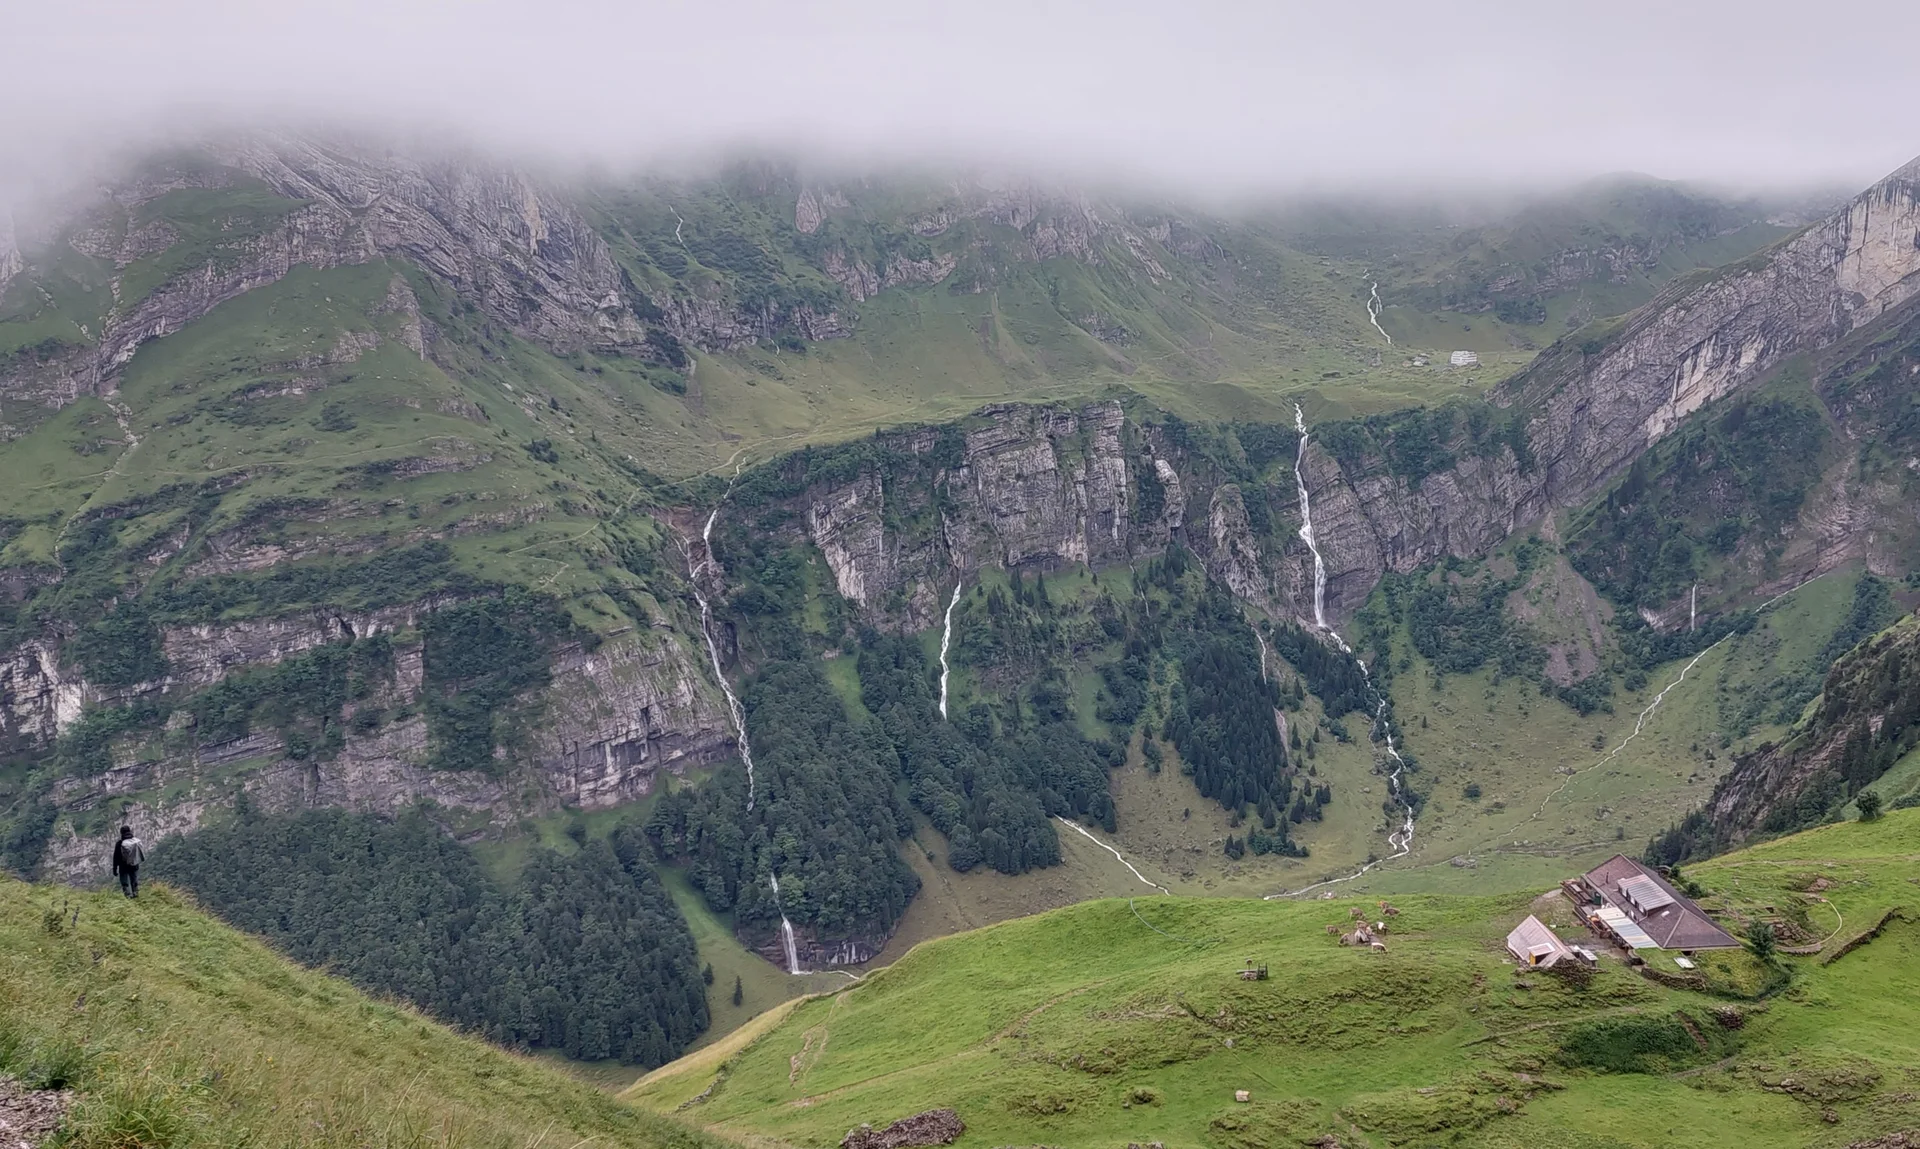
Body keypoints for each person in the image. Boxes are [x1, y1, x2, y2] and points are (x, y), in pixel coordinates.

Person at [111, 826, 146, 898]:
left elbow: (116, 857)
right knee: (134, 880)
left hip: (123, 866)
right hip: (134, 864)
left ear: (121, 833)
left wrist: (114, 869)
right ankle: (136, 894)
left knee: (124, 882)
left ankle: (127, 896)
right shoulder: (135, 841)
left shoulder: (120, 843)